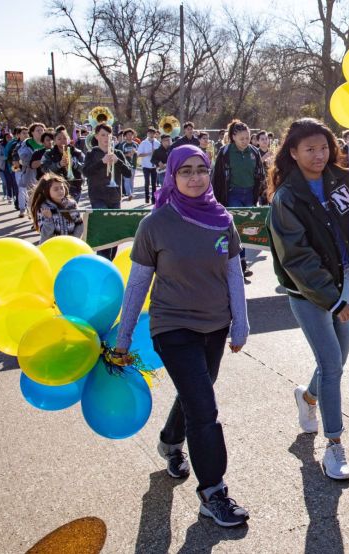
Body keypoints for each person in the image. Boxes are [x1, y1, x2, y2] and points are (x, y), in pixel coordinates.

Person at [112, 144, 249, 527]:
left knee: (196, 393)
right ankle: (213, 492)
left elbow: (234, 274)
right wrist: (123, 339)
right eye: (185, 170)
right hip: (172, 326)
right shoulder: (154, 225)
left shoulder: (222, 219)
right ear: (171, 176)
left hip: (215, 325)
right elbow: (137, 284)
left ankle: (171, 441)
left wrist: (240, 323)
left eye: (201, 169)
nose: (195, 177)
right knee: (204, 407)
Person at [267, 118, 349, 480]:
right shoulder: (287, 198)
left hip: (347, 282)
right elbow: (297, 259)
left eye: (324, 147)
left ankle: (307, 398)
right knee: (331, 365)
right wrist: (333, 301)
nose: (319, 155)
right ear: (293, 153)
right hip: (308, 293)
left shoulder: (342, 178)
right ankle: (334, 445)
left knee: (337, 361)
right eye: (310, 149)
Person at [211, 119, 266, 278]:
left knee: (246, 228)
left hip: (250, 194)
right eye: (241, 138)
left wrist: (262, 191)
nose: (245, 141)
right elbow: (217, 177)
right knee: (234, 228)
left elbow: (260, 174)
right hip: (232, 193)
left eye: (247, 138)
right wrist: (215, 199)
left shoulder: (253, 152)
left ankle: (242, 261)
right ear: (233, 137)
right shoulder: (225, 152)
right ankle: (233, 262)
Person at [84, 123, 132, 260]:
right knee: (104, 230)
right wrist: (101, 162)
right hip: (97, 197)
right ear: (97, 136)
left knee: (113, 232)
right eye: (103, 135)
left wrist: (118, 162)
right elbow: (86, 172)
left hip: (115, 197)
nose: (106, 138)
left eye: (108, 135)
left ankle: (110, 260)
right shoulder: (91, 154)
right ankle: (103, 260)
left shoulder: (118, 153)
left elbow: (128, 173)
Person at [30, 173, 84, 244]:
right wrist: (48, 219)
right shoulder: (43, 208)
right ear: (46, 191)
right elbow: (45, 234)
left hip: (70, 245)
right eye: (56, 189)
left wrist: (74, 240)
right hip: (52, 246)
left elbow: (79, 224)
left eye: (62, 188)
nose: (60, 191)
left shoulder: (71, 204)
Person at [44, 129, 85, 202]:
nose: (62, 140)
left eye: (65, 138)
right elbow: (45, 169)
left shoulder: (77, 152)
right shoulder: (48, 154)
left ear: (68, 139)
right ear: (54, 140)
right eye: (59, 139)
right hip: (55, 187)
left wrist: (74, 164)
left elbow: (85, 169)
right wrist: (59, 164)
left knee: (71, 207)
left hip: (75, 186)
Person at [18, 122, 46, 215]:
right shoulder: (27, 143)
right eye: (38, 130)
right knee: (33, 196)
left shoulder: (47, 142)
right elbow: (23, 157)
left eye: (42, 130)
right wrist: (34, 162)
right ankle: (34, 214)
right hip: (31, 174)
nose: (40, 132)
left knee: (45, 196)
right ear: (32, 132)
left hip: (45, 173)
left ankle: (41, 215)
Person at [137, 127, 160, 204]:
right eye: (150, 133)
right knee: (147, 182)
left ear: (155, 134)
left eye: (153, 133)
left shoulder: (157, 143)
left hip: (154, 166)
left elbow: (160, 154)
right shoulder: (143, 143)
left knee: (154, 183)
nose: (151, 135)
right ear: (147, 134)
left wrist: (156, 154)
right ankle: (147, 197)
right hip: (146, 166)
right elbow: (139, 154)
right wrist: (149, 153)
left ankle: (154, 199)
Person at [116, 128, 138, 200]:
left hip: (133, 164)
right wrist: (127, 155)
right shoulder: (122, 144)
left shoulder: (136, 144)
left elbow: (139, 153)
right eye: (128, 134)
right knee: (127, 179)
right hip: (125, 165)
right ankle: (129, 194)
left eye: (131, 134)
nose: (130, 136)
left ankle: (131, 193)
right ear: (125, 136)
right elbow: (119, 154)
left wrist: (135, 152)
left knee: (132, 180)